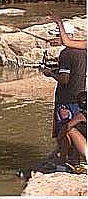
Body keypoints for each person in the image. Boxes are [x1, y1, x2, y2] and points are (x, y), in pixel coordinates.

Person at [41, 23, 87, 163]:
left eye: (58, 35)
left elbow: (65, 79)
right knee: (77, 130)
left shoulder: (66, 53)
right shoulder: (83, 52)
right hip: (79, 97)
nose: (56, 37)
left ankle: (63, 161)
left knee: (65, 130)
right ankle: (71, 159)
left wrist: (50, 74)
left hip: (65, 99)